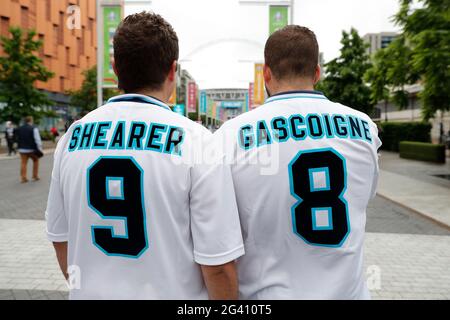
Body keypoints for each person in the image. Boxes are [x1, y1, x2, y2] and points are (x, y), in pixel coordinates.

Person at [45, 12, 244, 300]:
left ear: (115, 68)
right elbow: (217, 265)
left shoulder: (71, 138)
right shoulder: (197, 141)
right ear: (172, 70)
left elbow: (60, 239)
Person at [213, 26, 381, 299]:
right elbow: (365, 195)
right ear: (317, 72)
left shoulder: (229, 136)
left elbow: (220, 236)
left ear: (266, 74)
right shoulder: (364, 127)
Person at [17, 116, 42, 183]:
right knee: (36, 160)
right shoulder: (33, 128)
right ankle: (35, 176)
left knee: (23, 163)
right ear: (31, 120)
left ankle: (23, 178)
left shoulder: (20, 128)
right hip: (31, 149)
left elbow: (18, 138)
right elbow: (37, 140)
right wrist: (40, 148)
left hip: (21, 149)